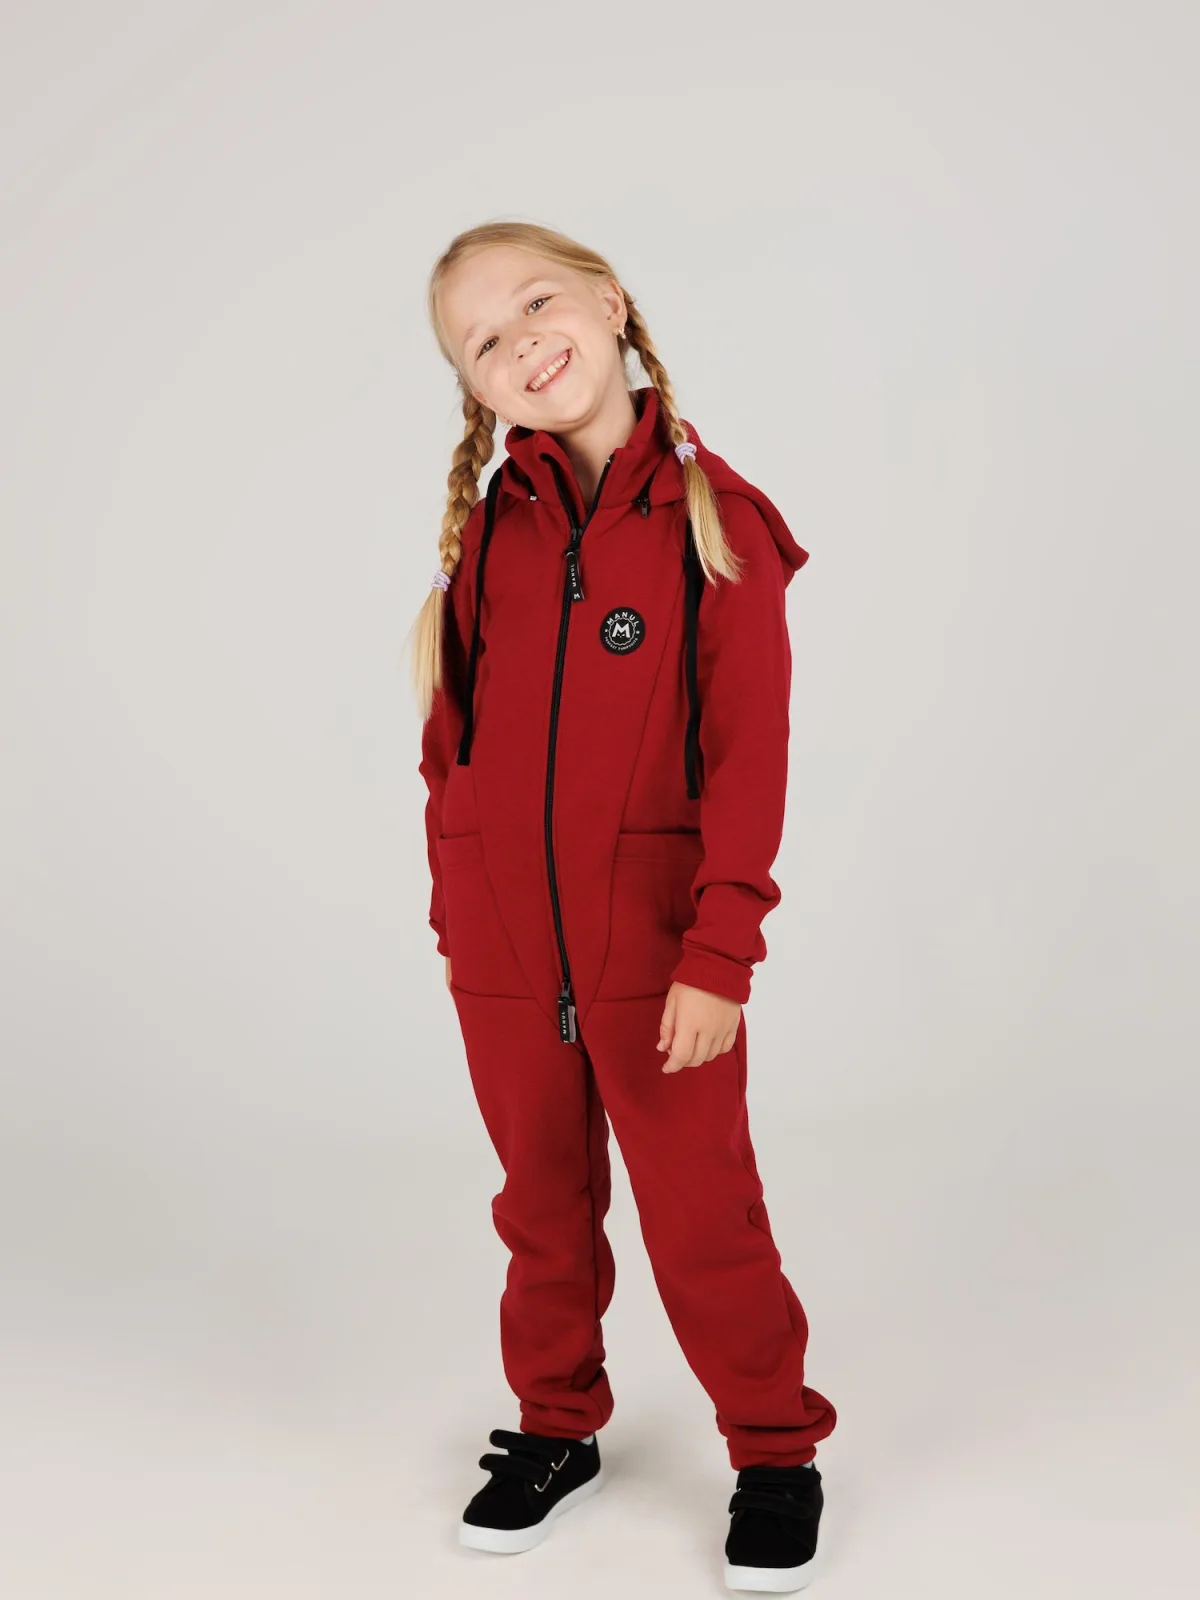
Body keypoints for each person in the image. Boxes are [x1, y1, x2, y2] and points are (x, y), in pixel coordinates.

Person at [412, 220, 837, 1593]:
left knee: (703, 1214)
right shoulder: (492, 533)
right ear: (475, 387)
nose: (522, 341)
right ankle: (555, 1426)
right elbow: (451, 742)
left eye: (537, 301)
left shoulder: (719, 520)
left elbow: (750, 764)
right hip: (504, 954)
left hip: (661, 957)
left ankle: (775, 1450)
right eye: (485, 340)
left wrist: (721, 952)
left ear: (608, 302)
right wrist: (461, 910)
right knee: (540, 1207)